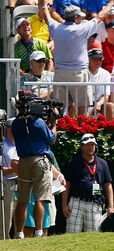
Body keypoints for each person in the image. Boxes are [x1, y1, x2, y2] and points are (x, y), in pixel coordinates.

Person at [40, 0, 114, 116]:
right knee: (83, 107)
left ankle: (60, 131)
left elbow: (47, 17)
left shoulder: (56, 28)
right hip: (78, 74)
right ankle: (80, 131)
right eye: (80, 17)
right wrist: (112, 1)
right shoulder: (82, 28)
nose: (81, 19)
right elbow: (100, 16)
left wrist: (43, 5)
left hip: (60, 73)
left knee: (59, 107)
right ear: (76, 18)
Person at [11, 101, 56, 239]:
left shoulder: (15, 123)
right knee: (40, 198)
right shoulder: (38, 122)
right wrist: (53, 123)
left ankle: (19, 233)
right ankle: (39, 231)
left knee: (23, 200)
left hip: (23, 161)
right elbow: (51, 138)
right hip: (39, 160)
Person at [61, 133, 113, 234]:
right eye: (88, 145)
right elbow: (67, 184)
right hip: (76, 202)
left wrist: (111, 205)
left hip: (95, 203)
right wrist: (64, 205)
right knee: (71, 234)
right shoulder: (73, 163)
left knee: (93, 236)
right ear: (81, 146)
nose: (90, 147)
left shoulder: (102, 163)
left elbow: (108, 184)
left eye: (92, 145)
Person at [1, 119, 19, 240]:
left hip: (22, 185)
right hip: (7, 185)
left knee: (22, 221)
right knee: (6, 221)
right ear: (7, 128)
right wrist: (15, 168)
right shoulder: (2, 146)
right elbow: (1, 170)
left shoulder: (21, 144)